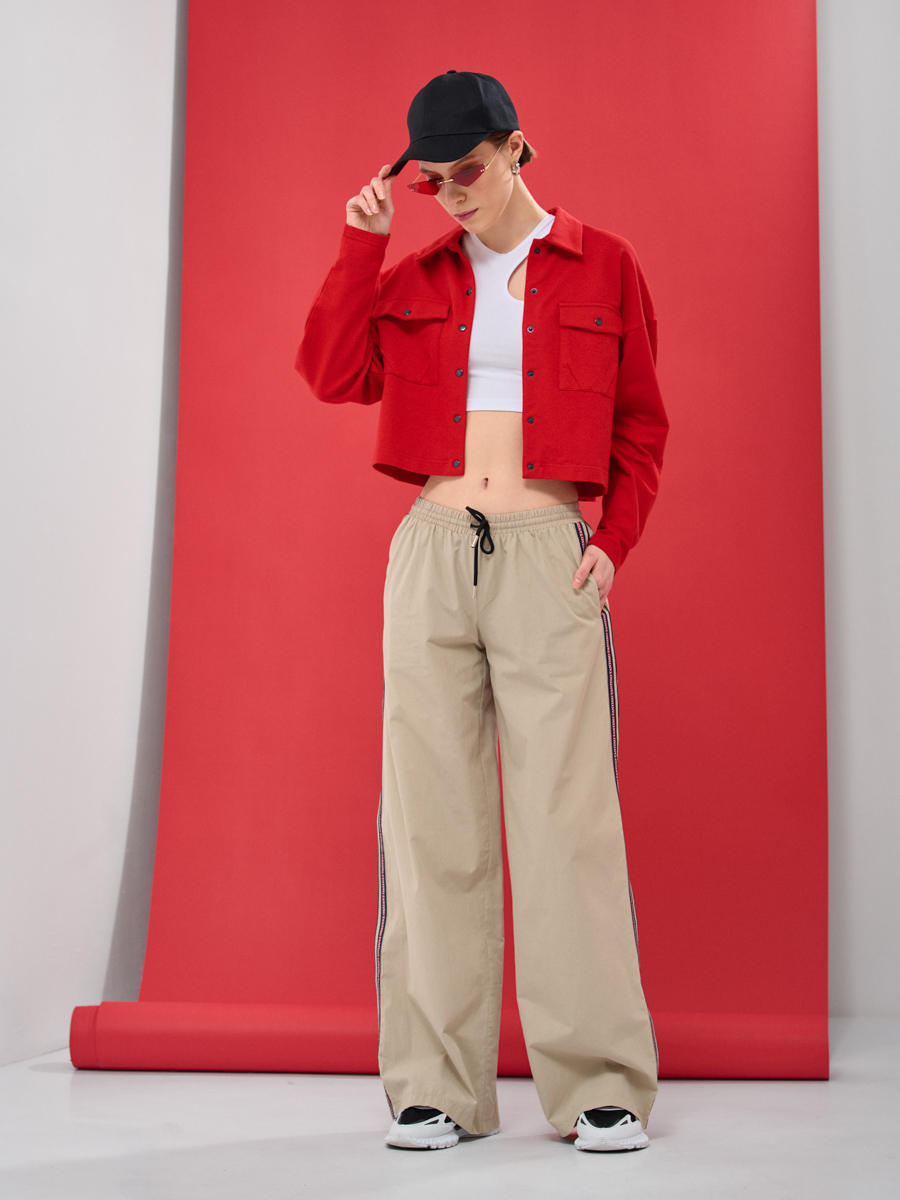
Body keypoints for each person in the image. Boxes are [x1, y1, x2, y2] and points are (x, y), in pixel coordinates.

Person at [296, 70, 669, 1153]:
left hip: (551, 554)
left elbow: (642, 421)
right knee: (430, 823)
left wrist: (612, 545)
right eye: (432, 181)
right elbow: (330, 373)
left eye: (467, 169)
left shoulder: (606, 263)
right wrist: (360, 247)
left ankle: (598, 1082)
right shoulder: (415, 276)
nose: (452, 193)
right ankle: (435, 1087)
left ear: (516, 149)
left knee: (567, 821)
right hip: (432, 551)